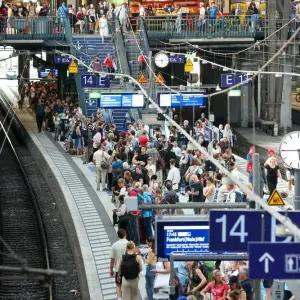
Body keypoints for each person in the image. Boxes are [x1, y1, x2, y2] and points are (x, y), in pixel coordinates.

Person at [110, 229, 128, 300]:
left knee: (118, 285)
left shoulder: (114, 245)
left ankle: (120, 298)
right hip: (129, 269)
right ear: (125, 235)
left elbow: (112, 259)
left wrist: (111, 269)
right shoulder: (129, 243)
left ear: (118, 236)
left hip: (118, 269)